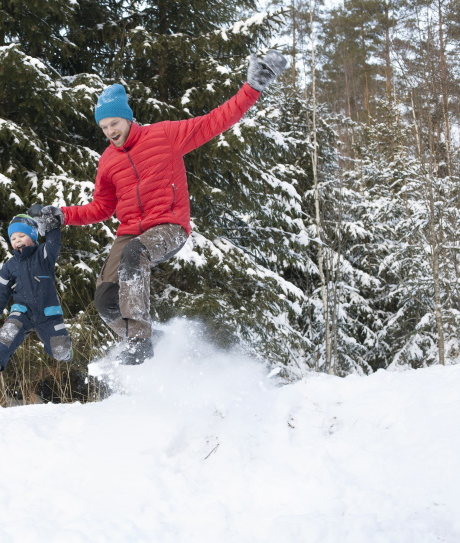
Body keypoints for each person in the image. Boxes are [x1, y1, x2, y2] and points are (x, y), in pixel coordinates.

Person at [32, 50, 288, 364]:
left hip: (169, 226)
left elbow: (214, 121)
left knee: (134, 253)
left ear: (127, 118)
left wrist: (252, 89)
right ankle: (155, 340)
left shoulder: (164, 136)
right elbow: (101, 207)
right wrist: (62, 215)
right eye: (104, 127)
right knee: (105, 300)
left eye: (114, 123)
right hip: (130, 232)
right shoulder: (108, 161)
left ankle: (140, 342)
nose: (110, 131)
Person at [0, 213, 73, 389]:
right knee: (5, 337)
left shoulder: (43, 255)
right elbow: (1, 294)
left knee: (59, 350)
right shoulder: (9, 266)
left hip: (48, 314)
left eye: (22, 235)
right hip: (22, 312)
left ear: (33, 236)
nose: (17, 240)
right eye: (13, 238)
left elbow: (54, 242)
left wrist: (49, 220)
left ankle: (65, 352)